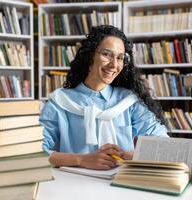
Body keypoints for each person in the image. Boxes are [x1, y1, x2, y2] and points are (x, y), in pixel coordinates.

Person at [40, 25, 168, 170]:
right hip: (74, 185)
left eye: (120, 58)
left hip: (122, 184)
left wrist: (131, 155)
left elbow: (163, 142)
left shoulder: (129, 102)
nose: (114, 65)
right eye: (107, 54)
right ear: (90, 56)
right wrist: (82, 160)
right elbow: (36, 152)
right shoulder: (60, 102)